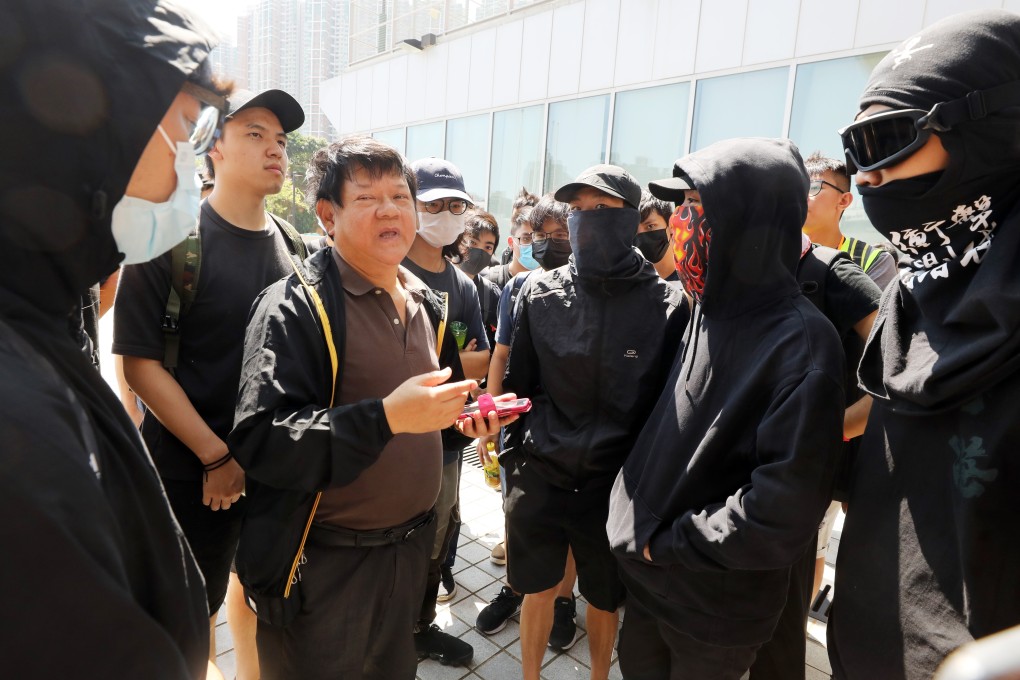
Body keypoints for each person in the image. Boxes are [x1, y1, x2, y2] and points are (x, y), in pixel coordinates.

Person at [0, 1, 230, 676]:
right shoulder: (18, 420)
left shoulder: (37, 322)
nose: (196, 161)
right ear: (89, 129)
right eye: (189, 124)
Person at [228, 136, 510, 679]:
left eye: (400, 196)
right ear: (327, 215)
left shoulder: (425, 301)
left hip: (408, 555)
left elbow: (435, 417)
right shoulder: (294, 307)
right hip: (327, 566)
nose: (390, 209)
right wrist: (384, 418)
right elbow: (263, 438)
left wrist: (465, 423)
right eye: (367, 198)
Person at [827, 10, 1020, 679]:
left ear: (995, 129)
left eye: (884, 139)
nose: (865, 177)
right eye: (853, 151)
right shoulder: (911, 298)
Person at [608, 139, 846, 680]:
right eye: (683, 205)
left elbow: (778, 513)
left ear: (752, 216)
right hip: (649, 583)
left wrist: (664, 544)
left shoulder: (804, 344)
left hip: (712, 610)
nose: (681, 222)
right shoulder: (705, 307)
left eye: (699, 204)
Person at [114, 87, 305, 680]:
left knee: (258, 597)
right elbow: (139, 364)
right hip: (191, 474)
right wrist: (216, 455)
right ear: (212, 145)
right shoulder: (171, 236)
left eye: (280, 139)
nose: (275, 149)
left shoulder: (295, 245)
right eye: (255, 133)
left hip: (271, 471)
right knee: (189, 618)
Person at [502, 165, 688, 680]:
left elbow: (670, 409)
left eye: (602, 210)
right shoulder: (538, 295)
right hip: (542, 474)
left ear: (631, 220)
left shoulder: (668, 304)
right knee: (537, 587)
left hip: (616, 486)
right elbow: (520, 388)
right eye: (578, 210)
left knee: (605, 598)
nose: (587, 221)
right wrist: (511, 455)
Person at [750, 233, 882, 680]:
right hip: (743, 467)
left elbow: (901, 357)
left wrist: (838, 427)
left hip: (801, 473)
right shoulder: (738, 268)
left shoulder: (828, 269)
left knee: (783, 612)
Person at [474, 194, 581, 646]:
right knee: (517, 515)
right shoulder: (517, 289)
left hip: (574, 432)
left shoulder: (589, 288)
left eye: (560, 236)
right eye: (540, 237)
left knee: (570, 524)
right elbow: (500, 354)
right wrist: (491, 415)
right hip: (522, 430)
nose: (548, 245)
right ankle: (516, 587)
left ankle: (564, 600)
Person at [402, 157, 490, 666]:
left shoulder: (462, 285)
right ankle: (388, 630)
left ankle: (420, 626)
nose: (446, 213)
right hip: (388, 434)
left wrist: (459, 363)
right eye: (434, 203)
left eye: (456, 204)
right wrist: (457, 358)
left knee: (439, 529)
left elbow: (473, 356)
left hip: (447, 440)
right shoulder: (385, 268)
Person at [802, 153, 896, 289]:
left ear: (843, 200)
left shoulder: (872, 260)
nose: (802, 196)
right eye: (799, 189)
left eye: (814, 187)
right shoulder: (774, 254)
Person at [483, 204, 539, 290]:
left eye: (538, 238)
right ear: (511, 243)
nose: (533, 245)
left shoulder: (549, 284)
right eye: (526, 239)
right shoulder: (490, 282)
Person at [635, 190, 679, 281]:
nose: (641, 237)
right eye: (634, 230)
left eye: (650, 226)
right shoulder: (628, 287)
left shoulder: (693, 283)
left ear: (670, 225)